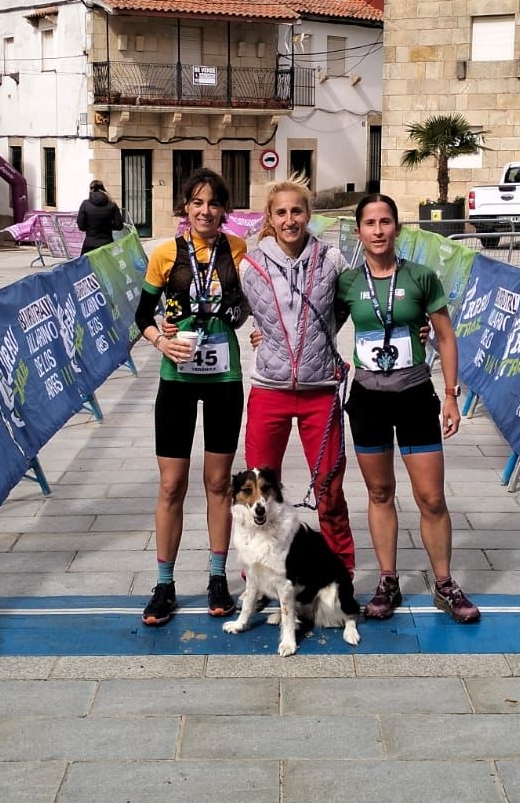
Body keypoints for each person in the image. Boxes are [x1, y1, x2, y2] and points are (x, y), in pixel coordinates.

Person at [334, 193, 480, 624]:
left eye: (385, 222)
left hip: (416, 394)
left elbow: (446, 336)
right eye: (369, 223)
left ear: (397, 228)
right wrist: (266, 337)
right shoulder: (347, 283)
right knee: (380, 493)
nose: (378, 230)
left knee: (431, 497)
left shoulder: (421, 277)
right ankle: (387, 580)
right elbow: (316, 326)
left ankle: (445, 583)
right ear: (359, 232)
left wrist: (451, 394)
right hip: (368, 398)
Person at [133, 168, 249, 626]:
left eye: (213, 203)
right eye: (197, 203)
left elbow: (244, 308)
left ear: (224, 210)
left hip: (224, 379)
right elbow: (142, 313)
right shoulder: (165, 254)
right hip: (176, 379)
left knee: (218, 485)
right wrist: (160, 341)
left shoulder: (238, 251)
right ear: (186, 208)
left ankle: (217, 578)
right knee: (171, 485)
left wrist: (248, 322)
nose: (205, 211)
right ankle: (164, 584)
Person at [238, 174, 355, 573]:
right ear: (270, 218)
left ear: (308, 214)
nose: (290, 219)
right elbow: (232, 311)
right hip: (269, 389)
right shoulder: (249, 265)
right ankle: (260, 571)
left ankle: (341, 571)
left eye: (297, 211)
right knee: (258, 494)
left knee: (329, 488)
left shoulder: (332, 259)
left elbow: (353, 306)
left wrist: (418, 329)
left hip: (320, 390)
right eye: (281, 212)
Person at [77, 179, 124, 255]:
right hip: (107, 244)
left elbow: (81, 226)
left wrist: (90, 227)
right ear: (103, 188)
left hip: (89, 244)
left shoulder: (85, 204)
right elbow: (119, 226)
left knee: (87, 266)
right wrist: (108, 226)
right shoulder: (112, 205)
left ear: (91, 189)